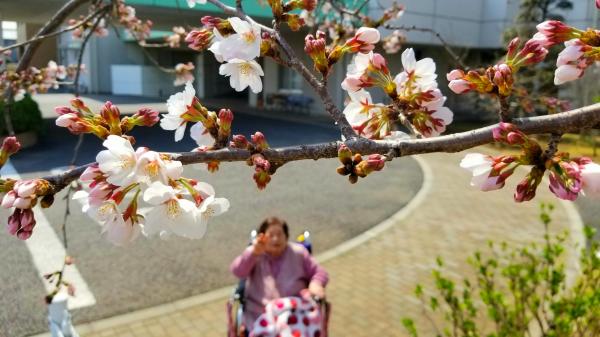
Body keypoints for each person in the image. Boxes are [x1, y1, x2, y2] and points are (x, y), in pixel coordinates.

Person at [230, 216, 329, 333]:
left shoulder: (298, 253)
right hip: (259, 315)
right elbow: (237, 271)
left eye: (280, 234)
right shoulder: (255, 255)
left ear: (286, 237)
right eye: (271, 235)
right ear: (262, 238)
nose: (276, 238)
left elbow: (319, 272)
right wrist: (253, 253)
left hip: (295, 313)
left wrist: (316, 283)